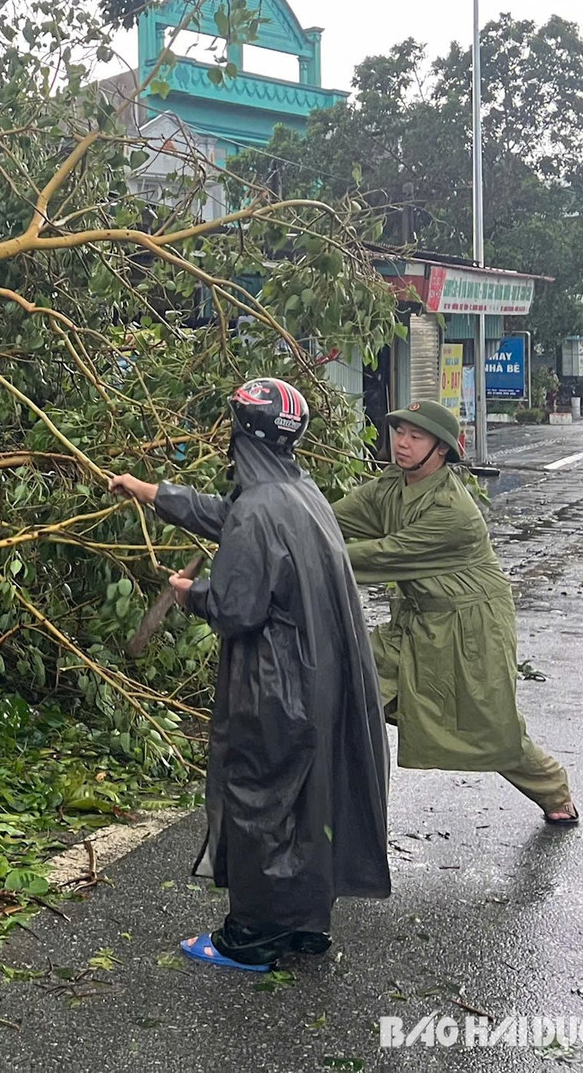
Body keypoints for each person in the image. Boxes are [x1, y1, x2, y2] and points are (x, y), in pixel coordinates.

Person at [110, 377, 391, 972]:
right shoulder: (298, 491)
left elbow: (237, 608)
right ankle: (303, 926)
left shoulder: (261, 509)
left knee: (258, 797)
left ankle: (251, 938)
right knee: (302, 802)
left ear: (240, 429)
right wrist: (149, 490)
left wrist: (191, 594)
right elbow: (229, 516)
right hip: (318, 676)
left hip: (275, 684)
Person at [332, 400, 578, 825]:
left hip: (473, 626)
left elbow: (384, 555)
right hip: (418, 619)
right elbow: (327, 519)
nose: (402, 443)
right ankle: (339, 808)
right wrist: (271, 521)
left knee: (488, 726)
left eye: (416, 436)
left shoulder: (453, 512)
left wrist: (296, 553)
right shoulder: (390, 486)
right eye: (399, 432)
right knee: (347, 681)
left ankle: (552, 787)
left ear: (441, 449)